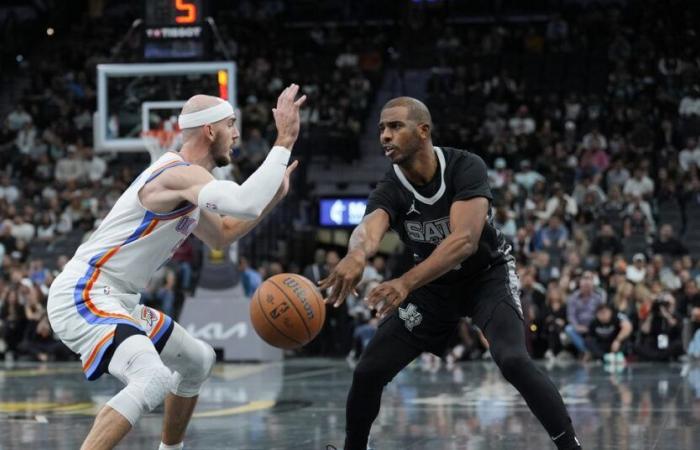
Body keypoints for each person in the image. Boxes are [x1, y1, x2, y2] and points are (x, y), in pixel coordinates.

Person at [47, 84, 306, 450]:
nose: (236, 135)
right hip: (85, 291)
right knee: (150, 377)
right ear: (210, 130)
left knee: (198, 361)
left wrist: (273, 197)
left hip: (119, 299)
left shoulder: (191, 187)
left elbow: (223, 236)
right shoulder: (176, 174)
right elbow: (244, 202)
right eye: (231, 125)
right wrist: (285, 139)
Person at [321, 97, 581, 450]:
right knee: (369, 371)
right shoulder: (391, 187)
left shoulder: (464, 166)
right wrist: (356, 254)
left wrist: (404, 282)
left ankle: (571, 447)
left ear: (423, 131)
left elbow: (465, 241)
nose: (384, 135)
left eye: (395, 126)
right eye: (382, 127)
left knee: (513, 360)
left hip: (486, 276)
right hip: (433, 288)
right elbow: (370, 227)